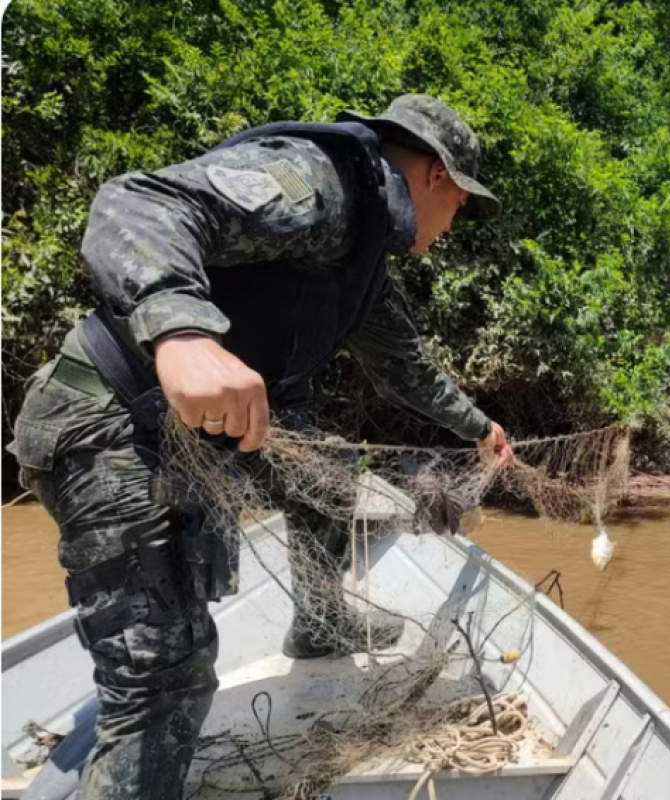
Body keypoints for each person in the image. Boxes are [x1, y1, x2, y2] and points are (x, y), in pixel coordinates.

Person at [6, 94, 513, 800]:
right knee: (166, 678)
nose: (454, 226)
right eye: (462, 206)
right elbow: (137, 204)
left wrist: (478, 427)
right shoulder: (318, 184)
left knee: (331, 476)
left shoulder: (364, 261)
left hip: (193, 436)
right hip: (108, 424)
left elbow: (407, 370)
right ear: (437, 177)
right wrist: (182, 334)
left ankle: (319, 624)